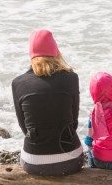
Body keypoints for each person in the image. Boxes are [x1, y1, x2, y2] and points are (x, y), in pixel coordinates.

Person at [12, 29, 84, 176]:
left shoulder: (18, 83)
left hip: (34, 162)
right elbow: (74, 123)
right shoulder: (71, 78)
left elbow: (24, 127)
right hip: (70, 159)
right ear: (55, 52)